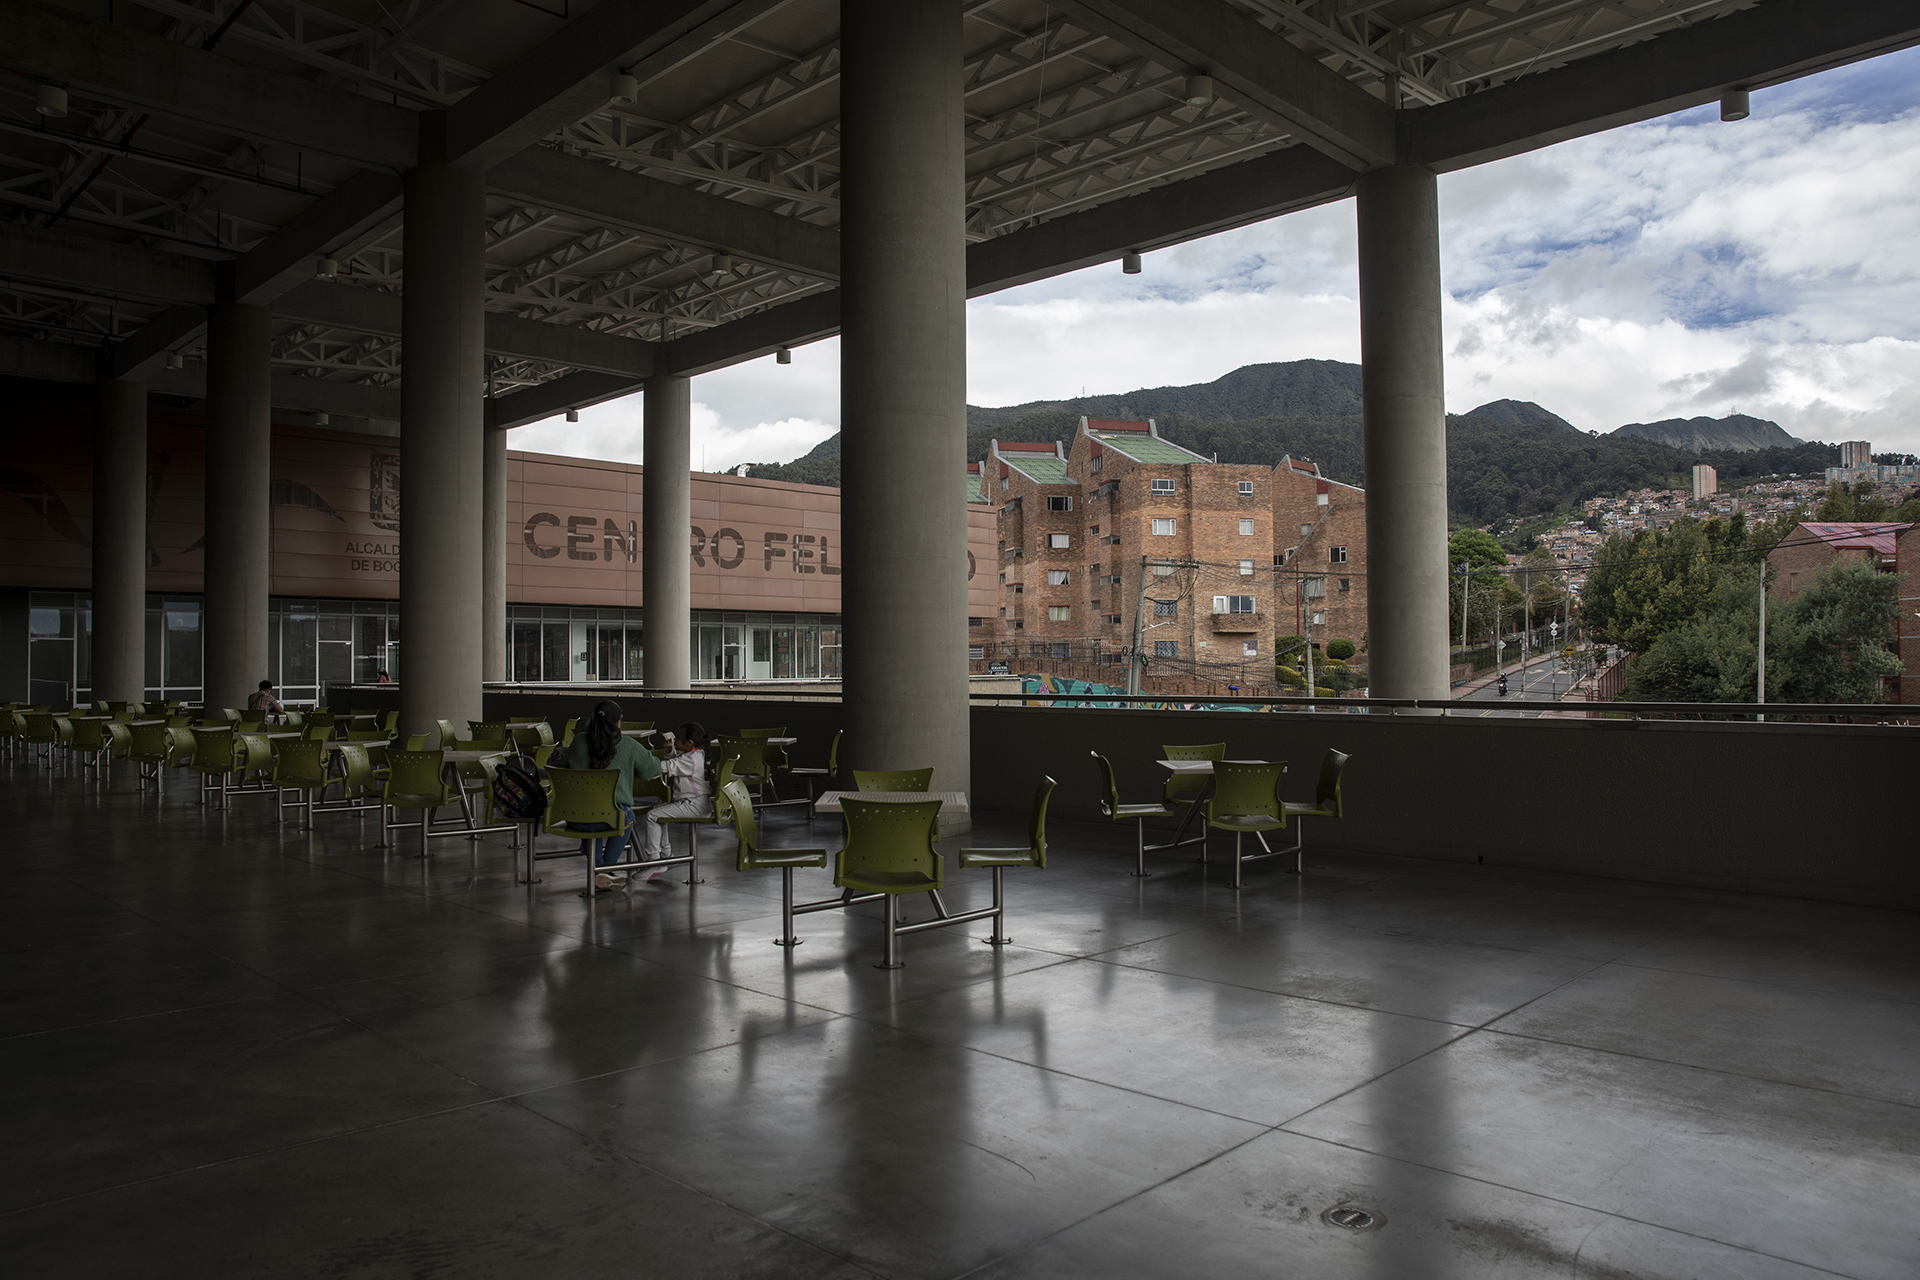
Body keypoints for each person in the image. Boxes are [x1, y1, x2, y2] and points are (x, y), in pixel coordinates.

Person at [559, 699, 663, 891]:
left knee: (590, 814)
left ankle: (600, 873)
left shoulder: (578, 741)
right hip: (612, 819)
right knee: (626, 815)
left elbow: (563, 768)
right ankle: (606, 870)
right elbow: (653, 770)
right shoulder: (628, 745)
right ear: (618, 723)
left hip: (575, 817)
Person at [641, 721, 712, 872]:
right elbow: (678, 764)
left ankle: (654, 861)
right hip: (696, 802)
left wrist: (642, 761)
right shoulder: (695, 755)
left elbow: (667, 767)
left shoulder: (690, 760)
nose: (674, 739)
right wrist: (669, 753)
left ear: (689, 742)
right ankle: (666, 856)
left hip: (694, 805)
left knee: (652, 816)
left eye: (678, 737)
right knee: (660, 814)